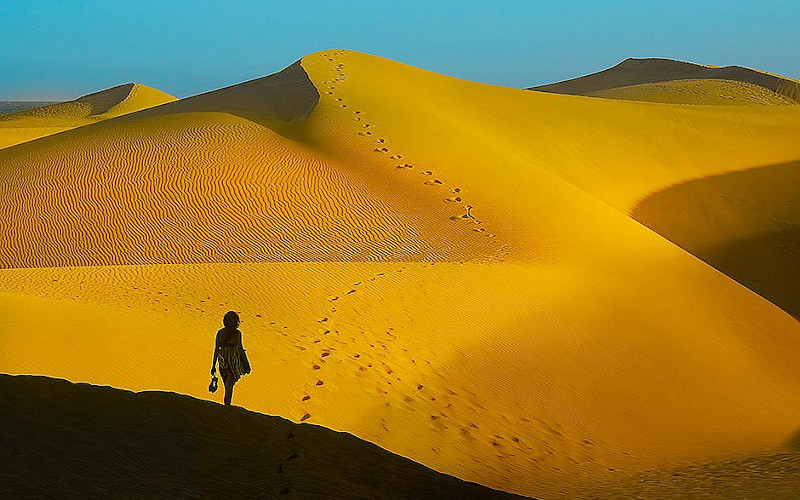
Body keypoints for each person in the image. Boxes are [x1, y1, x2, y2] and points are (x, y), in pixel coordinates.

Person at [211, 311, 250, 406]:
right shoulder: (234, 333)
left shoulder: (222, 333)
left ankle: (227, 406)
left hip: (227, 363)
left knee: (228, 386)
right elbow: (239, 349)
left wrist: (213, 365)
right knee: (228, 386)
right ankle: (227, 407)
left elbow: (217, 349)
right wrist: (246, 363)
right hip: (228, 364)